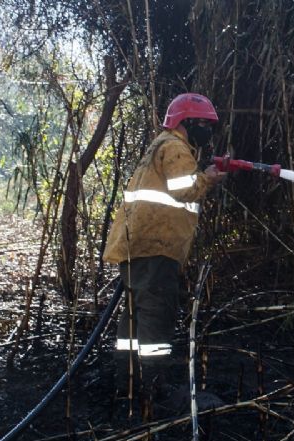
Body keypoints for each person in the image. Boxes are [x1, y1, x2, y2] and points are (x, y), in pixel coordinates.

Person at [103, 93, 226, 419]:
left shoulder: (159, 145)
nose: (207, 132)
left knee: (134, 319)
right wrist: (209, 178)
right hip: (155, 248)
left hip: (138, 247)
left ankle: (128, 384)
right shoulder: (174, 147)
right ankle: (153, 391)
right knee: (156, 318)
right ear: (187, 122)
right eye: (204, 125)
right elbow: (185, 188)